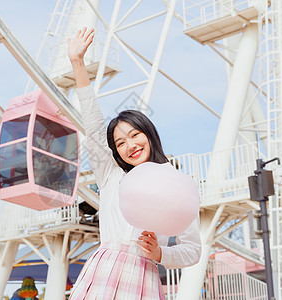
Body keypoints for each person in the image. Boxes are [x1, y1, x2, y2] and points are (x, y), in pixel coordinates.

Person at [67, 27, 202, 299]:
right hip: (105, 271)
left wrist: (160, 253)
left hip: (145, 276)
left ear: (148, 133)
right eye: (120, 143)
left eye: (135, 135)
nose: (130, 145)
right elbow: (93, 126)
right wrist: (78, 64)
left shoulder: (177, 184)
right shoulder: (111, 175)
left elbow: (193, 249)